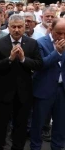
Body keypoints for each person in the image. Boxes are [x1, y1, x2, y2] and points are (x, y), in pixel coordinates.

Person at [0, 14, 43, 150]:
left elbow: (38, 64)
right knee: (0, 124)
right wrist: (10, 59)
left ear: (25, 27)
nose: (17, 30)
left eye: (20, 27)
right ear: (8, 27)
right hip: (3, 92)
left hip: (24, 92)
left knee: (21, 125)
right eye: (13, 27)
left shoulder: (32, 43)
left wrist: (24, 59)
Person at [31, 18, 65, 150]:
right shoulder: (40, 43)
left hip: (62, 90)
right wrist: (56, 52)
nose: (62, 36)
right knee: (38, 123)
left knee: (60, 124)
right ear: (50, 29)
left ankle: (57, 147)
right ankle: (35, 147)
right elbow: (40, 65)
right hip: (43, 89)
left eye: (64, 33)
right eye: (58, 33)